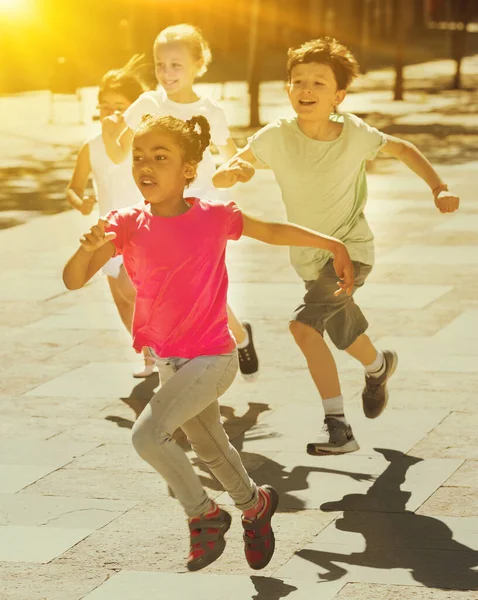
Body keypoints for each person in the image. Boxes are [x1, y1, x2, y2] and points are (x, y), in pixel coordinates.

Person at [62, 113, 354, 571]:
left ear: (188, 170)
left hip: (215, 356)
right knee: (210, 446)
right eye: (139, 157)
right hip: (169, 360)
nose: (147, 166)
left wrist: (333, 244)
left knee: (148, 436)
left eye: (161, 157)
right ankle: (255, 506)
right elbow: (74, 279)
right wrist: (85, 248)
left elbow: (273, 231)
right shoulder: (126, 223)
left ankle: (204, 516)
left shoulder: (214, 216)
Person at [212, 37, 460, 455]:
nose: (306, 89)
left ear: (338, 96)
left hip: (351, 251)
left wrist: (439, 187)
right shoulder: (275, 136)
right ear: (288, 89)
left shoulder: (355, 134)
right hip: (308, 260)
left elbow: (402, 148)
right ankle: (379, 366)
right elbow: (230, 167)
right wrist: (229, 173)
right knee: (343, 331)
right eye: (298, 81)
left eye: (318, 83)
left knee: (304, 328)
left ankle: (338, 427)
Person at [101, 23, 259, 381]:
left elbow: (230, 153)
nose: (166, 73)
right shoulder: (147, 103)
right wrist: (111, 133)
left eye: (176, 64)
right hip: (159, 211)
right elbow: (118, 153)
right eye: (160, 64)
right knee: (169, 287)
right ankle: (196, 357)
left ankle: (230, 342)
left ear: (198, 64)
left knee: (197, 286)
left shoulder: (210, 111)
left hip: (201, 211)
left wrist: (239, 167)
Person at [66, 56, 156, 377]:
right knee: (120, 299)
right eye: (104, 105)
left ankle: (162, 349)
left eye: (119, 105)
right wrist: (82, 202)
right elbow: (73, 188)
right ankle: (148, 357)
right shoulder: (90, 147)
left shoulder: (140, 142)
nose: (111, 112)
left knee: (131, 290)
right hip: (107, 232)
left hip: (141, 229)